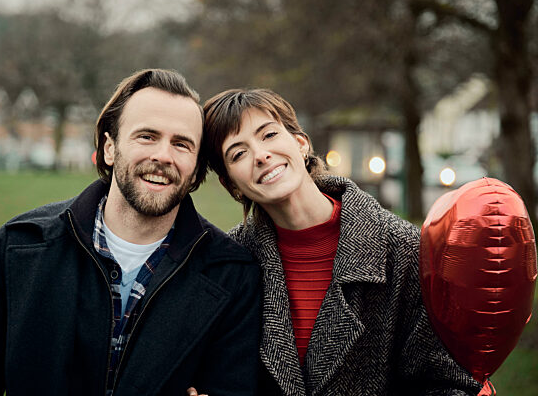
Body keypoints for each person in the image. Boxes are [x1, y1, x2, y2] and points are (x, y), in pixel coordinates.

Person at [0, 69, 261, 396]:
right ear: (110, 148)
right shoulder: (21, 246)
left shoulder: (231, 275)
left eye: (181, 144)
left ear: (195, 171)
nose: (163, 156)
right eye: (146, 136)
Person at [200, 88, 483, 395]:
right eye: (239, 153)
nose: (260, 155)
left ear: (300, 143)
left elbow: (448, 383)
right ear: (232, 186)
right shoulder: (227, 263)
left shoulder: (403, 248)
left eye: (268, 135)